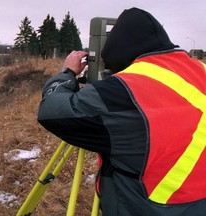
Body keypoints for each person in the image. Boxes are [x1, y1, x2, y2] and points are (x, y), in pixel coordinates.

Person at [37, 7, 206, 216]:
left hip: (146, 207)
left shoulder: (121, 91)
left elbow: (51, 111)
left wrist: (68, 73)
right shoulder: (200, 70)